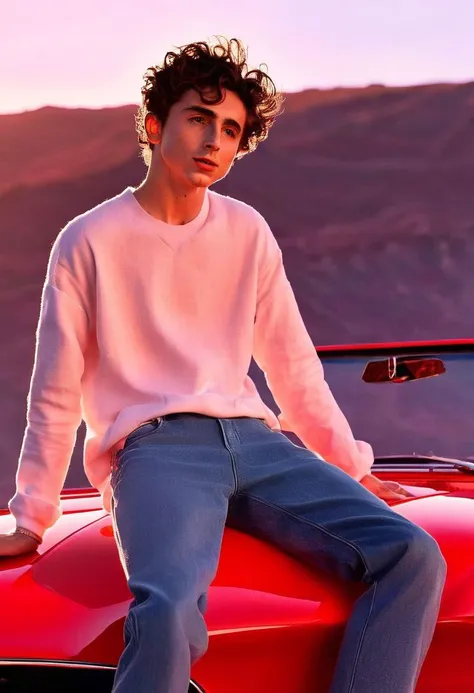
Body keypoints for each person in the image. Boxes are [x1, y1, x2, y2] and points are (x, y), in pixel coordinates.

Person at [0, 37, 446, 693]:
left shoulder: (246, 232)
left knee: (413, 555)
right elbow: (55, 391)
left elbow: (293, 366)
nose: (214, 140)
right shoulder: (89, 239)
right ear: (156, 125)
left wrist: (351, 467)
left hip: (258, 442)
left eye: (231, 129)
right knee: (170, 610)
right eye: (198, 118)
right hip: (156, 448)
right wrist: (31, 515)